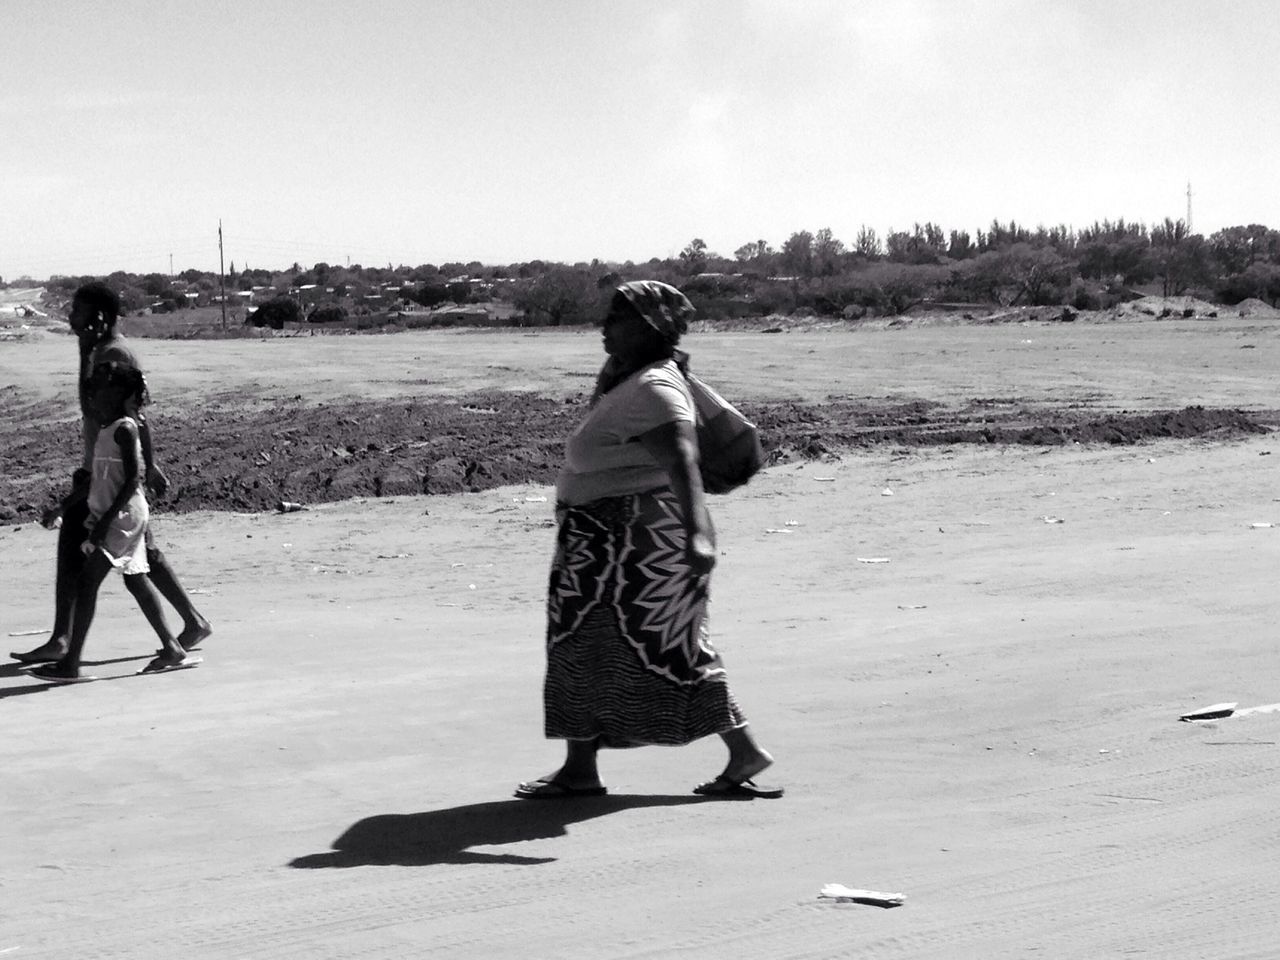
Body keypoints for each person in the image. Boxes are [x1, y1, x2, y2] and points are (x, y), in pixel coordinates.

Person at [515, 280, 782, 800]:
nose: (603, 327)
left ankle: (583, 770)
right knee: (627, 647)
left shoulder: (654, 389)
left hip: (630, 547)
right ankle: (585, 768)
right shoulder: (635, 380)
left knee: (632, 647)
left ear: (648, 325)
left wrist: (700, 536)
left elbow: (682, 461)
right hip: (606, 544)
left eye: (615, 317)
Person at [10, 282, 212, 664]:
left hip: (110, 474)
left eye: (78, 311)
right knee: (138, 555)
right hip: (101, 467)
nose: (71, 317)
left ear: (99, 318)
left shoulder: (114, 353)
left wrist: (147, 466)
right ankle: (188, 622)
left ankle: (65, 642)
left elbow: (133, 411)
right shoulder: (98, 350)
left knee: (113, 553)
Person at [27, 362, 198, 682]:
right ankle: (172, 648)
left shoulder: (125, 428)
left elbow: (133, 480)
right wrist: (61, 507)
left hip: (124, 517)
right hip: (114, 516)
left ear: (119, 395)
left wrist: (106, 520)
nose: (93, 399)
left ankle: (70, 664)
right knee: (136, 581)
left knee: (87, 582)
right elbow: (94, 479)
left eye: (101, 393)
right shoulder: (108, 430)